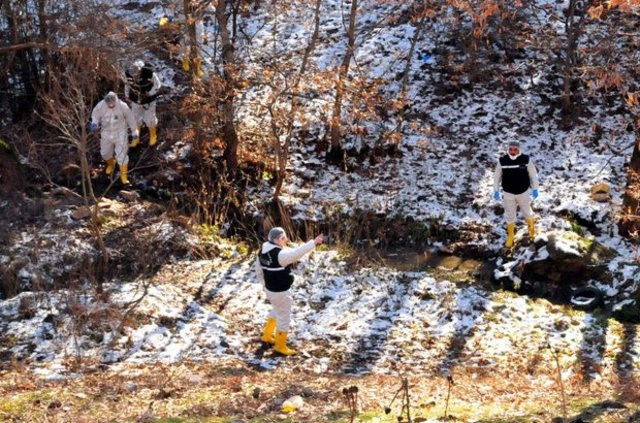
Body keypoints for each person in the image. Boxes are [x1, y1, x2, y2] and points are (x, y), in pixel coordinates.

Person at [255, 227, 324, 355]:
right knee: (284, 317)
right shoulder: (280, 255)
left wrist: (265, 286)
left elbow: (258, 271)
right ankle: (280, 346)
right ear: (276, 240)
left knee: (276, 309)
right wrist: (313, 243)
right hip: (280, 290)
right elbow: (296, 253)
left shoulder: (262, 251)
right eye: (283, 238)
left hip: (270, 290)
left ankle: (266, 336)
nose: (286, 240)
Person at [493, 140, 539, 248]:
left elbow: (533, 175)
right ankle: (510, 236)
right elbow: (496, 177)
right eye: (511, 149)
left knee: (527, 212)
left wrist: (535, 188)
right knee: (510, 215)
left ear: (519, 150)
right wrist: (496, 190)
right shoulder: (502, 161)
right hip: (508, 193)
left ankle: (531, 230)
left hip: (523, 192)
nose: (513, 151)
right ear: (508, 150)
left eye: (515, 149)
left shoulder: (526, 159)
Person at [90, 92, 139, 184]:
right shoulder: (101, 106)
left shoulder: (123, 106)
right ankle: (111, 164)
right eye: (109, 104)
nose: (111, 105)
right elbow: (95, 115)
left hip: (120, 132)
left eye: (112, 104)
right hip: (106, 132)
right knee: (105, 153)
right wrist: (94, 123)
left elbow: (130, 118)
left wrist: (134, 130)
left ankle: (124, 175)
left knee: (122, 155)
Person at [125, 60, 162, 147]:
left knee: (149, 118)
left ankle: (153, 135)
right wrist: (127, 95)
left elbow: (157, 85)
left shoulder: (149, 74)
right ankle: (136, 138)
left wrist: (149, 94)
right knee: (135, 118)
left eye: (136, 73)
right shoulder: (128, 75)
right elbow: (127, 85)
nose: (135, 76)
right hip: (135, 99)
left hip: (148, 100)